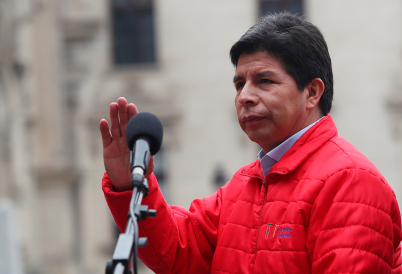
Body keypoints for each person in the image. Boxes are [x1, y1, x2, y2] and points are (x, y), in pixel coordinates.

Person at [100, 13, 402, 273]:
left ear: (312, 92)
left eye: (264, 81)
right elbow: (177, 252)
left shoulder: (350, 182)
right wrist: (127, 186)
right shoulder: (243, 186)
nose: (244, 96)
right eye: (239, 83)